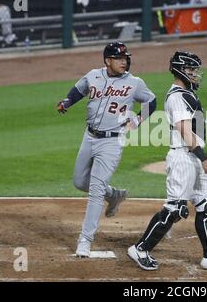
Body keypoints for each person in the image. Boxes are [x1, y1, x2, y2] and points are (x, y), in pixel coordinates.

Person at [127, 51, 207, 271]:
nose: (195, 74)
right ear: (180, 71)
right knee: (175, 209)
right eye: (191, 70)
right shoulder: (176, 97)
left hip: (193, 156)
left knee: (206, 204)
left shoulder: (186, 94)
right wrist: (204, 159)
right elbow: (185, 131)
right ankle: (140, 249)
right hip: (184, 158)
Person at [57, 41, 157, 257]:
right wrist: (67, 102)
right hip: (89, 136)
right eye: (119, 58)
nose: (125, 61)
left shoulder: (134, 83)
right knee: (79, 182)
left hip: (112, 141)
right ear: (107, 61)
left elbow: (152, 101)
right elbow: (78, 90)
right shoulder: (93, 75)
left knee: (95, 189)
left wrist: (138, 121)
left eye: (126, 58)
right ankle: (114, 195)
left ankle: (85, 239)